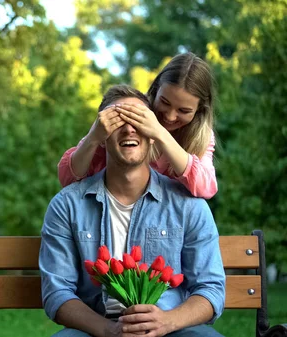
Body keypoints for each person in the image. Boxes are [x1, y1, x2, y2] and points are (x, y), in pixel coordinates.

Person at [39, 85, 225, 337]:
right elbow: (57, 292)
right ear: (102, 136)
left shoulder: (188, 205)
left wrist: (167, 322)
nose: (128, 127)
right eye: (117, 120)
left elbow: (211, 288)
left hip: (170, 327)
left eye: (139, 120)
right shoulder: (67, 206)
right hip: (97, 328)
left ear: (153, 134)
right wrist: (109, 329)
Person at [57, 52, 217, 199]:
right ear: (156, 90)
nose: (170, 116)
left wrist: (160, 134)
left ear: (199, 110)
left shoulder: (201, 136)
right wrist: (94, 137)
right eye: (164, 102)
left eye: (183, 110)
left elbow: (206, 188)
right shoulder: (130, 113)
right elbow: (68, 178)